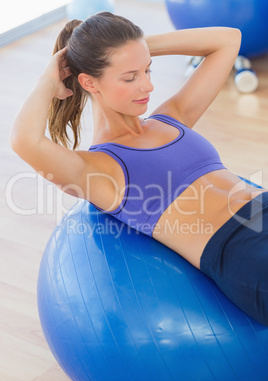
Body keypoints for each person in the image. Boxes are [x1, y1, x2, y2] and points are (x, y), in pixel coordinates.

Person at [10, 12, 268, 326]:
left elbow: (228, 39)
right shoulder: (98, 170)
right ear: (89, 82)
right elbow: (25, 141)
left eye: (147, 69)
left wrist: (137, 49)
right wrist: (48, 81)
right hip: (241, 250)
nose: (147, 84)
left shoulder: (171, 117)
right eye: (130, 77)